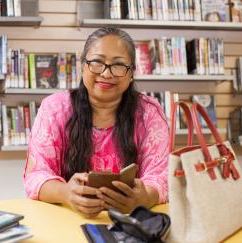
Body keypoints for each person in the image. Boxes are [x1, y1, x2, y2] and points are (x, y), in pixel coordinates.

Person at [23, 26, 169, 218]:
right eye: (97, 62)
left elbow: (162, 175)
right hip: (67, 219)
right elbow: (36, 175)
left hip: (131, 222)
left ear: (131, 72)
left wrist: (143, 198)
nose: (106, 74)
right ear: (83, 66)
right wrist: (66, 193)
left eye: (118, 65)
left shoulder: (149, 113)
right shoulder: (54, 109)